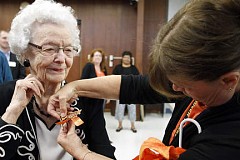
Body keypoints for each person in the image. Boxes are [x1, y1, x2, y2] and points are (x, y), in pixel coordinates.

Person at [48, 0, 240, 159]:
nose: (174, 88)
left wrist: (81, 152)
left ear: (229, 81)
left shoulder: (228, 141)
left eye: (185, 86)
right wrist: (75, 87)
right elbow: (137, 86)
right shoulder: (200, 79)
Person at [0, 0, 115, 160]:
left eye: (68, 49)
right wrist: (12, 112)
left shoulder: (87, 101)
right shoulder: (5, 95)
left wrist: (81, 152)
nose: (62, 58)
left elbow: (106, 155)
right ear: (25, 52)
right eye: (49, 49)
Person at [112, 51, 139, 133]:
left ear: (130, 59)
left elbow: (138, 79)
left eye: (128, 57)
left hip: (131, 92)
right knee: (119, 109)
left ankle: (132, 125)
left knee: (132, 109)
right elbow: (113, 78)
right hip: (120, 91)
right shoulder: (118, 68)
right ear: (122, 58)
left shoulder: (134, 68)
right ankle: (120, 125)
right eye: (125, 57)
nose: (126, 59)